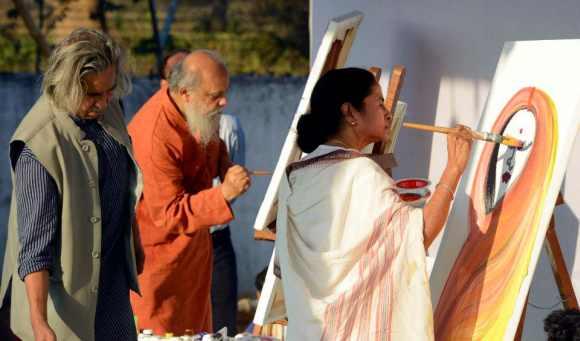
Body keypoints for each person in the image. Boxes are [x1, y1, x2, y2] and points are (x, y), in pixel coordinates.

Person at [275, 67, 472, 340]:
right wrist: (454, 168)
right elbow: (418, 234)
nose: (387, 113)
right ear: (350, 112)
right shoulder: (360, 174)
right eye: (379, 103)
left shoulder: (294, 176)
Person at [0, 28, 144, 341]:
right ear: (66, 86)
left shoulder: (110, 110)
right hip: (61, 308)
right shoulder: (39, 145)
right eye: (93, 95)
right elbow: (34, 247)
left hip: (112, 294)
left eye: (110, 91)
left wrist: (134, 238)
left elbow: (122, 186)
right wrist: (40, 324)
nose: (104, 102)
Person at [128, 50, 251, 336]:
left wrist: (225, 165)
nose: (224, 102)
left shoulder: (193, 110)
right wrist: (224, 194)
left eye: (225, 93)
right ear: (185, 92)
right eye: (215, 96)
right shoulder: (156, 134)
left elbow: (211, 142)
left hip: (192, 262)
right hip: (159, 269)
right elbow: (169, 213)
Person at [210, 112, 245, 334]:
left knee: (222, 326)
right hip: (177, 241)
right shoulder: (160, 126)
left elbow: (234, 183)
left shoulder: (227, 125)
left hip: (216, 236)